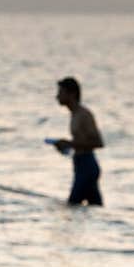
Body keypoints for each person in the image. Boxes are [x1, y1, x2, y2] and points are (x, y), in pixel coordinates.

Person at [52, 76, 104, 205]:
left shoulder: (84, 114)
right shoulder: (74, 114)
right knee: (95, 208)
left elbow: (98, 142)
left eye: (60, 93)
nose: (57, 96)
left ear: (72, 94)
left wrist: (69, 143)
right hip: (80, 164)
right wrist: (64, 146)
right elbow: (81, 142)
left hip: (87, 166)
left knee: (72, 206)